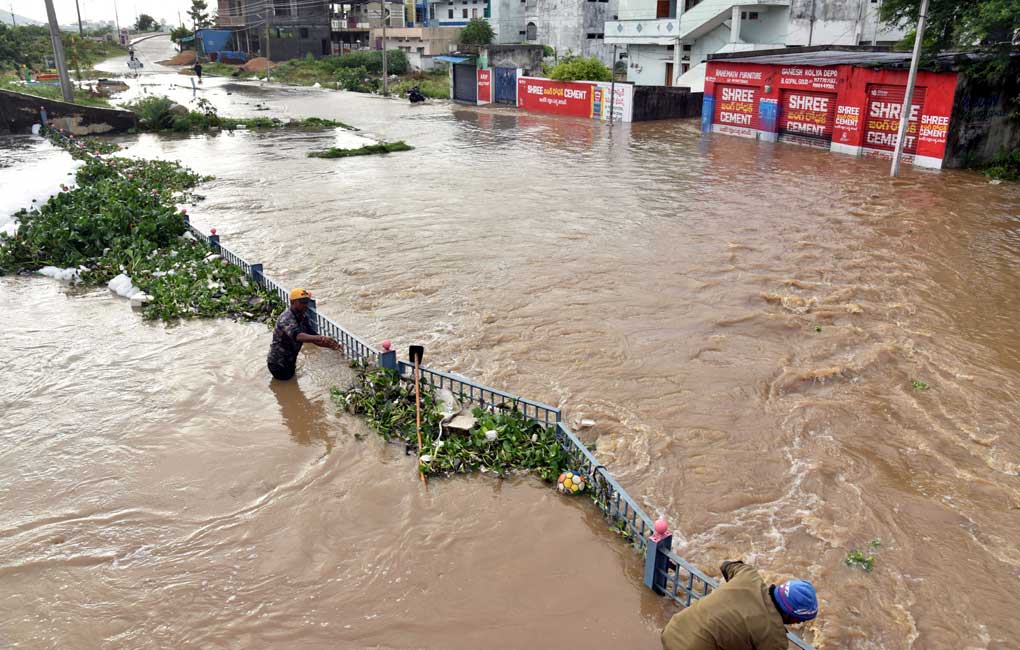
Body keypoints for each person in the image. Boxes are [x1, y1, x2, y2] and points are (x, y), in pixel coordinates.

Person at [661, 560, 817, 650]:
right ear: (789, 613)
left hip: (673, 630)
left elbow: (727, 566)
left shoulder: (749, 576)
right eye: (799, 619)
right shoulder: (774, 637)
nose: (798, 623)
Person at [267, 288, 340, 380]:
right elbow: (298, 336)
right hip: (278, 363)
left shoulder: (302, 317)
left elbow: (312, 336)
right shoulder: (286, 318)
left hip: (289, 360)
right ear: (293, 302)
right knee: (289, 389)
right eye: (302, 302)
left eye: (306, 301)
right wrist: (321, 338)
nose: (305, 304)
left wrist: (331, 345)